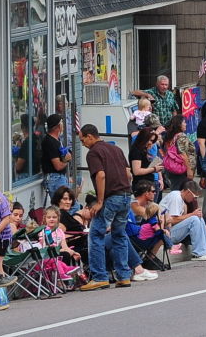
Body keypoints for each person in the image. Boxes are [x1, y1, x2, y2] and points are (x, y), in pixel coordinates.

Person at [79, 123, 134, 291]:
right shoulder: (116, 149)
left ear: (90, 136)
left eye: (82, 140)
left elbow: (101, 175)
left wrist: (100, 201)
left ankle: (99, 277)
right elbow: (128, 173)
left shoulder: (94, 152)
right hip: (126, 194)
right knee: (119, 234)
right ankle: (123, 275)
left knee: (96, 234)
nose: (82, 144)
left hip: (111, 197)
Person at [161, 115, 195, 193]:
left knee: (175, 190)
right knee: (182, 193)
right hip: (181, 169)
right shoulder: (181, 136)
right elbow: (183, 154)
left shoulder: (170, 136)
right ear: (179, 124)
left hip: (172, 168)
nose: (186, 124)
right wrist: (189, 170)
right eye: (184, 122)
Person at [128, 126, 163, 192]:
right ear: (144, 138)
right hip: (142, 186)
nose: (151, 143)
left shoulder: (143, 150)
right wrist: (154, 169)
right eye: (150, 140)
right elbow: (136, 171)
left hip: (148, 184)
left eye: (153, 141)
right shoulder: (136, 150)